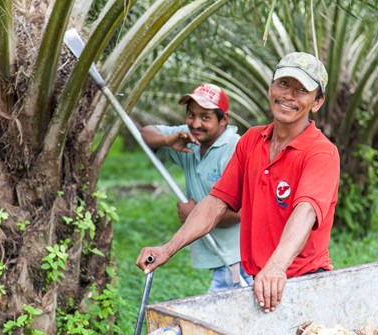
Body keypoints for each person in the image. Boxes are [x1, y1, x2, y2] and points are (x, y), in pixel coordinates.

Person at [136, 52, 340, 313]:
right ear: (271, 86)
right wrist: (168, 248)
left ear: (317, 102)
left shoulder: (321, 152)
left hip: (303, 283)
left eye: (302, 90)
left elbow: (306, 211)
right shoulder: (252, 140)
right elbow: (216, 201)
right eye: (284, 84)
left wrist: (276, 267)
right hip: (260, 281)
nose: (289, 96)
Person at [140, 83, 253, 292]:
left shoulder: (234, 149)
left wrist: (194, 214)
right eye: (191, 115)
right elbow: (145, 133)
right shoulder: (187, 137)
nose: (196, 123)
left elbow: (242, 212)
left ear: (224, 119)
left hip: (237, 257)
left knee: (225, 313)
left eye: (206, 117)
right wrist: (167, 140)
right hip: (219, 256)